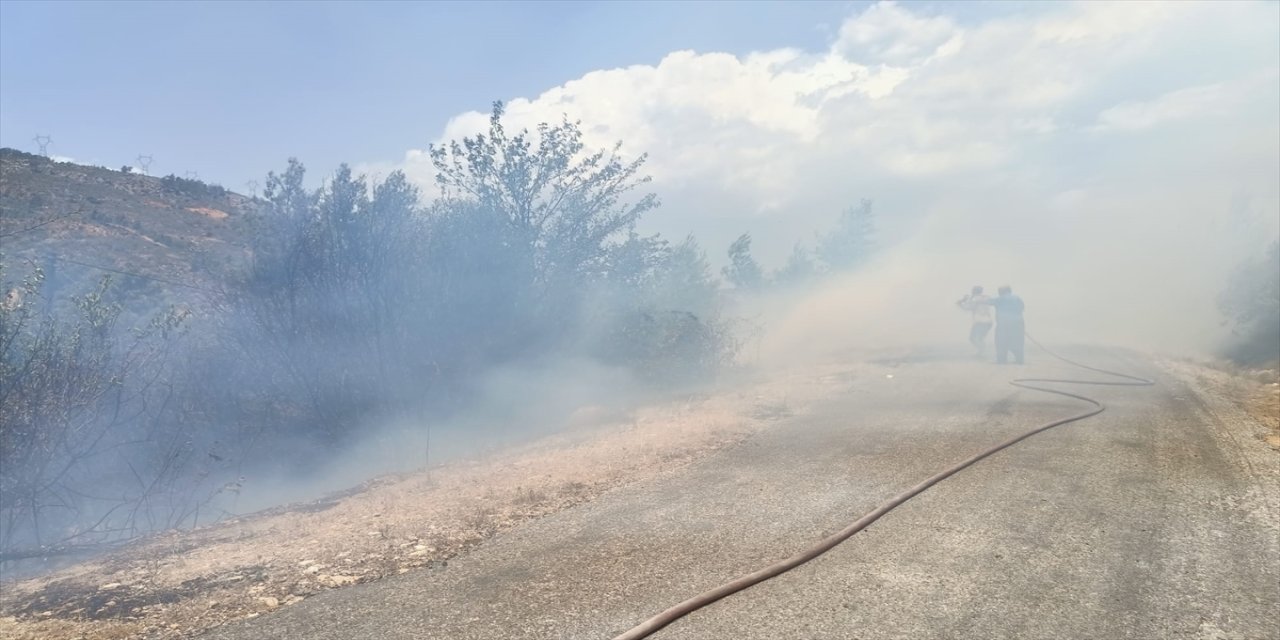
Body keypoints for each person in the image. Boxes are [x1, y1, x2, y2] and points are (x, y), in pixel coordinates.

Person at [990, 285, 1026, 364]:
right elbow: (1022, 307)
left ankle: (1001, 360)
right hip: (1018, 324)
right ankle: (1019, 360)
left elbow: (988, 301)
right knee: (1018, 342)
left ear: (1002, 292)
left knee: (1001, 342)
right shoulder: (1017, 298)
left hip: (1003, 324)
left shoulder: (999, 299)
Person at [956, 285, 993, 357]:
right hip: (988, 321)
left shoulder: (974, 299)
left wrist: (960, 304)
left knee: (972, 338)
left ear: (974, 291)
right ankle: (981, 351)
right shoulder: (986, 297)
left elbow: (968, 308)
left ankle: (981, 350)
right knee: (980, 338)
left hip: (979, 321)